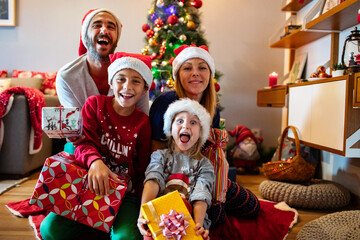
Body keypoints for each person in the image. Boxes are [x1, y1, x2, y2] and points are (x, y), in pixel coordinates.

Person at [40, 52, 153, 240]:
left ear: (144, 89)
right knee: (50, 229)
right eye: (121, 79)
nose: (127, 87)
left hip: (124, 195)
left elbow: (142, 168)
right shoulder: (95, 104)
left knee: (125, 238)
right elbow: (83, 142)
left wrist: (141, 207)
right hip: (88, 187)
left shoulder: (143, 123)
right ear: (111, 83)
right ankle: (95, 224)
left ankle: (105, 225)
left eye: (136, 81)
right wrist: (94, 162)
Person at [149, 44, 260, 228]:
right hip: (172, 178)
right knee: (216, 219)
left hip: (201, 174)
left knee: (252, 207)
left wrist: (213, 183)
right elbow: (154, 152)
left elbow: (210, 153)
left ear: (210, 74)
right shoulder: (164, 103)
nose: (195, 73)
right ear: (177, 74)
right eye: (187, 68)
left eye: (202, 67)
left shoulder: (212, 110)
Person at [56, 8, 150, 150]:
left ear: (116, 40)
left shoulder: (134, 73)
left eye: (111, 26)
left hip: (124, 147)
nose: (104, 30)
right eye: (97, 25)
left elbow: (143, 118)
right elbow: (79, 128)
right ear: (85, 36)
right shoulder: (66, 76)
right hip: (86, 145)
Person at [137, 98, 213, 240]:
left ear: (201, 133)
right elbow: (153, 180)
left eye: (193, 122)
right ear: (170, 128)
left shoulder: (204, 165)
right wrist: (144, 213)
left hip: (189, 221)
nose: (186, 126)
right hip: (160, 218)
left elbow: (201, 195)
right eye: (179, 121)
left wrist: (197, 225)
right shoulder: (159, 156)